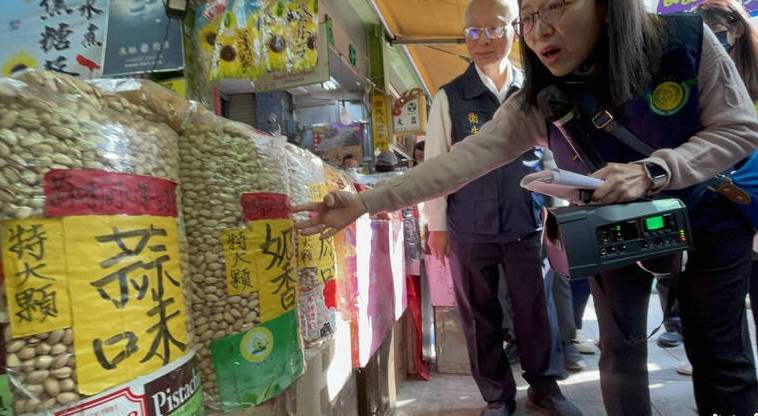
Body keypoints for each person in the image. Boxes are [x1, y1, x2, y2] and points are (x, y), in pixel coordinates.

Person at [294, 1, 758, 415]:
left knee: (719, 350)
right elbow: (458, 161)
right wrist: (364, 202)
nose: (539, 31)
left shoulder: (685, 41)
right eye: (531, 16)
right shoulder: (536, 99)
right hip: (611, 227)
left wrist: (655, 170)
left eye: (555, 8)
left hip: (709, 216)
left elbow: (739, 130)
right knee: (621, 351)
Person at [423, 1, 582, 415]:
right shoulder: (449, 97)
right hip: (468, 225)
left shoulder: (536, 90)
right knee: (479, 316)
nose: (483, 41)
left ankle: (545, 387)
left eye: (492, 29)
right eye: (472, 33)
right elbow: (436, 164)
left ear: (515, 28)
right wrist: (436, 225)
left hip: (527, 221)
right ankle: (497, 396)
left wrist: (560, 210)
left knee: (537, 310)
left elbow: (556, 157)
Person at [692, 0, 758, 379]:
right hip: (724, 226)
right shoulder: (701, 91)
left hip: (751, 216)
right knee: (724, 337)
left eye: (720, 44)